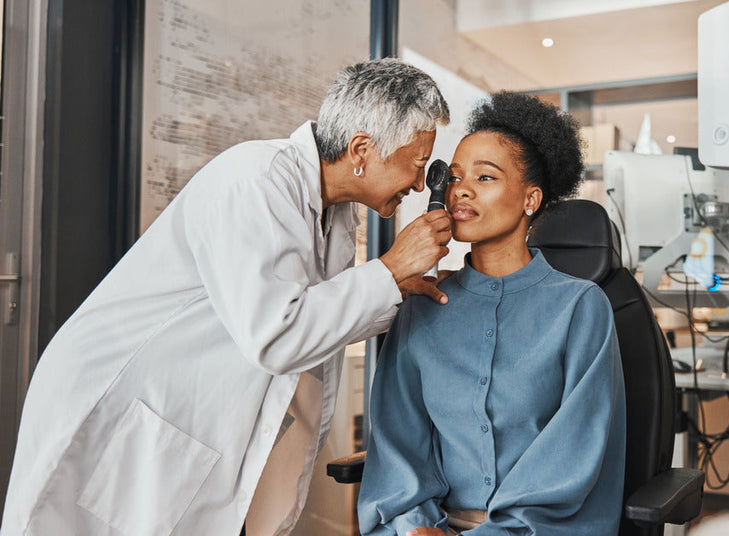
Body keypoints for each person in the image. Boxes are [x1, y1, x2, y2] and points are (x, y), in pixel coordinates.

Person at [1, 58, 453, 536]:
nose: (421, 184)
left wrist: (394, 291)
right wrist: (389, 269)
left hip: (181, 412)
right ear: (362, 149)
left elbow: (315, 320)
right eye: (418, 164)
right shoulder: (256, 180)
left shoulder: (334, 214)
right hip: (126, 398)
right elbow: (276, 336)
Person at [358, 92, 627, 536]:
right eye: (457, 176)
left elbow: (573, 460)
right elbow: (398, 448)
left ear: (530, 199)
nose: (461, 189)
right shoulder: (421, 303)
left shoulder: (581, 308)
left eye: (485, 177)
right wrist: (413, 527)